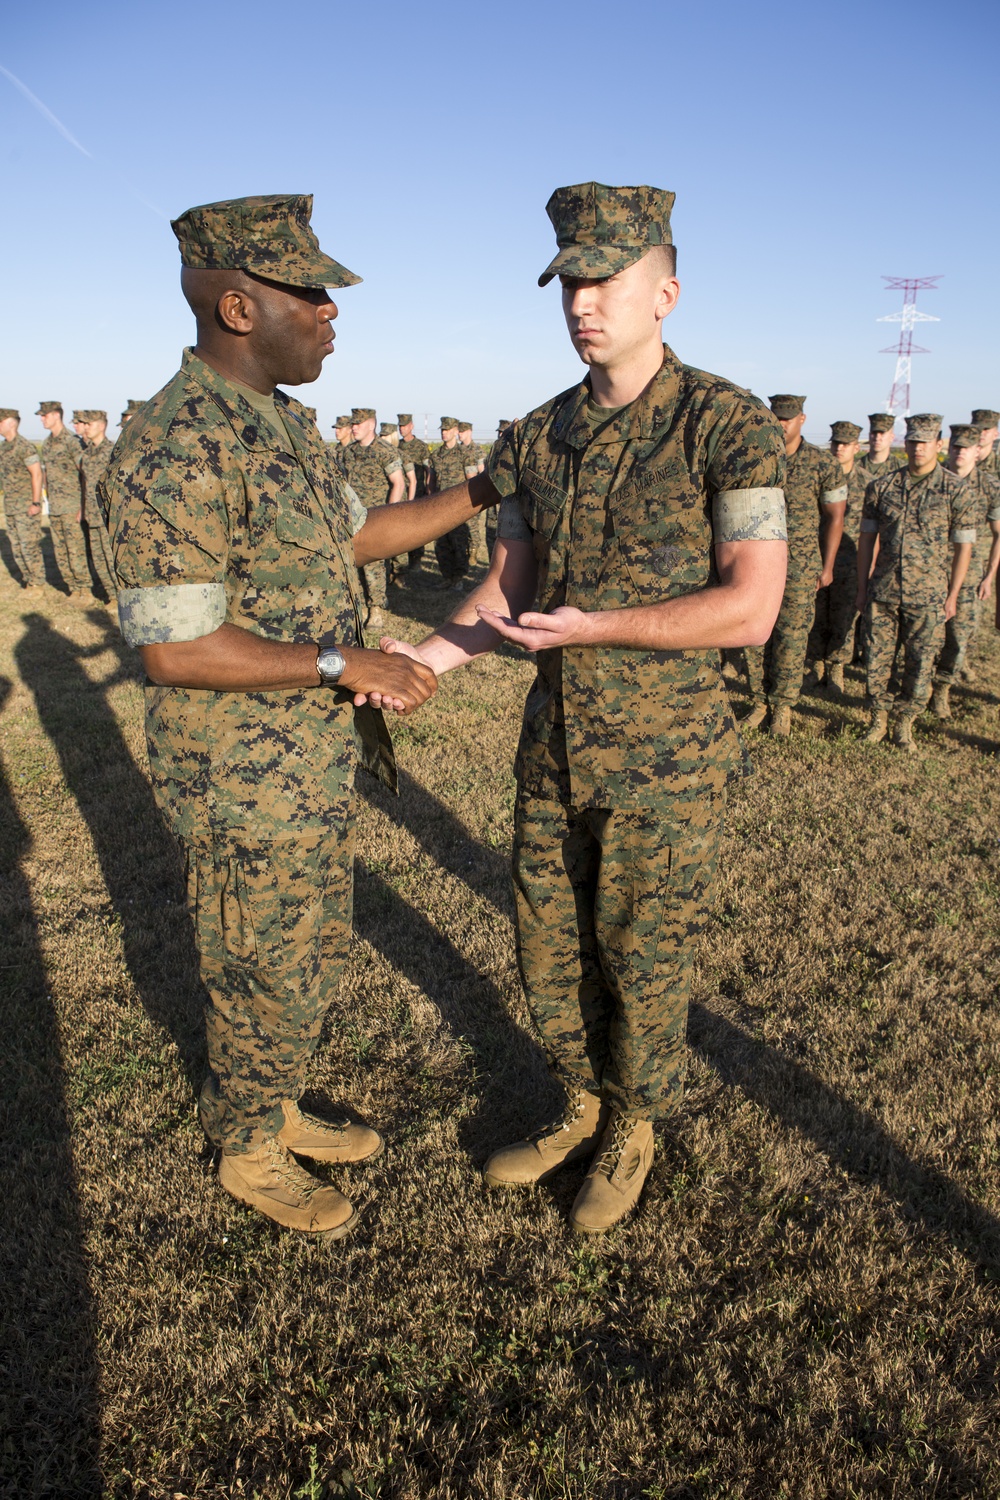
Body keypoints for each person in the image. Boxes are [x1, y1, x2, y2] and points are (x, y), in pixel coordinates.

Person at [380, 180, 787, 1233]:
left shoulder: (727, 425)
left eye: (605, 279)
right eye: (567, 280)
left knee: (642, 950)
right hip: (555, 746)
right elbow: (508, 584)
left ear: (668, 293)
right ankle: (580, 1099)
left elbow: (750, 608)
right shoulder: (536, 435)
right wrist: (420, 662)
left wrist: (597, 625)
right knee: (546, 942)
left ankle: (636, 1124)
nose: (581, 300)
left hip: (667, 756)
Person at [99, 192, 500, 1238]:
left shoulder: (276, 424)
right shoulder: (174, 446)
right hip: (239, 773)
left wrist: (484, 488)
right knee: (257, 958)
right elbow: (175, 647)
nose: (331, 313)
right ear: (237, 306)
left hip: (306, 761)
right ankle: (244, 1143)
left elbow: (351, 538)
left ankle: (270, 1101)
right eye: (310, 294)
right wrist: (339, 660)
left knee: (306, 948)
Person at [856, 413, 977, 751]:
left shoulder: (956, 490)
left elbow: (963, 547)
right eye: (912, 441)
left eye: (925, 442)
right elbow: (867, 540)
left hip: (929, 597)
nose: (918, 447)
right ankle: (877, 720)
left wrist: (953, 595)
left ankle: (904, 724)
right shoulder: (881, 487)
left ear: (938, 445)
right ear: (904, 443)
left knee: (921, 663)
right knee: (877, 661)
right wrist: (863, 588)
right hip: (883, 592)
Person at [740, 395, 845, 733]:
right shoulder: (754, 457)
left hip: (800, 565)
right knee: (754, 634)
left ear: (802, 419)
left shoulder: (822, 464)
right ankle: (758, 700)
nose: (781, 423)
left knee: (792, 634)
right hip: (755, 562)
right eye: (777, 417)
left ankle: (781, 706)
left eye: (788, 418)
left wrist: (827, 566)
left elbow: (835, 518)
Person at [930, 424, 1000, 716]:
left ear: (978, 451)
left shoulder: (990, 486)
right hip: (929, 571)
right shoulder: (933, 480)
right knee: (925, 636)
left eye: (966, 448)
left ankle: (942, 690)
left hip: (970, 574)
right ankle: (920, 686)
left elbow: (999, 534)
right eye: (955, 447)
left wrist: (989, 576)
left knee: (958, 638)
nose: (959, 452)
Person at [804, 420, 863, 696]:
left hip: (851, 561)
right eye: (835, 443)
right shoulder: (819, 473)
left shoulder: (866, 483)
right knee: (817, 615)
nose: (839, 448)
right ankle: (815, 666)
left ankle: (836, 669)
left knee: (843, 618)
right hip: (818, 555)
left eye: (845, 444)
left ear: (856, 447)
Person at [342, 407, 405, 629]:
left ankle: (376, 609)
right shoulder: (347, 452)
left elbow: (398, 482)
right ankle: (357, 607)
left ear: (371, 424)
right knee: (352, 563)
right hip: (350, 518)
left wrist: (390, 515)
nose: (353, 427)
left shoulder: (384, 451)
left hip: (375, 517)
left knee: (375, 566)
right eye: (352, 424)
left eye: (358, 423)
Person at [38, 401, 89, 598]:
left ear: (56, 415)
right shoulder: (47, 443)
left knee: (75, 549)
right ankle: (73, 588)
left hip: (71, 505)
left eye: (45, 415)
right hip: (56, 506)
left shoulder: (72, 441)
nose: (42, 419)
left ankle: (84, 588)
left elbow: (84, 473)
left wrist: (82, 506)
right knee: (60, 551)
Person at [429, 417, 480, 589]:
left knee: (459, 544)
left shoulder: (465, 455)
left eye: (447, 429)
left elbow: (472, 481)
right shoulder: (436, 455)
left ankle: (458, 578)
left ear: (456, 431)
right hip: (439, 507)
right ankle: (447, 577)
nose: (444, 432)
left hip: (458, 507)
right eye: (442, 429)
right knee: (441, 545)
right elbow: (432, 482)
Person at [0, 408, 45, 591]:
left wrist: (36, 502)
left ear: (11, 423)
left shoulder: (24, 446)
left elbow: (36, 474)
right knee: (17, 546)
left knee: (29, 546)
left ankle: (37, 583)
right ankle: (29, 580)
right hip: (11, 505)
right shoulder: (4, 447)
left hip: (26, 505)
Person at [78, 410, 117, 603]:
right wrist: (83, 509)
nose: (85, 427)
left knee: (112, 559)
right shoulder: (86, 454)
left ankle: (120, 597)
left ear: (101, 425)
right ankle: (111, 595)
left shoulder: (112, 451)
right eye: (84, 424)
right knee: (99, 558)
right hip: (92, 515)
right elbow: (85, 483)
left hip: (108, 514)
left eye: (89, 424)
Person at [398, 413, 431, 575]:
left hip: (417, 493)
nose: (402, 429)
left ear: (411, 426)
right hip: (402, 493)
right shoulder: (397, 446)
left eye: (404, 426)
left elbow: (428, 469)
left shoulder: (421, 446)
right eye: (400, 426)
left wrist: (428, 487)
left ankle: (416, 560)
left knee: (417, 528)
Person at [971, 409, 999, 478]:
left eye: (986, 429)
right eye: (978, 428)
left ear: (995, 435)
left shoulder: (997, 465)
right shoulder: (959, 462)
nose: (981, 433)